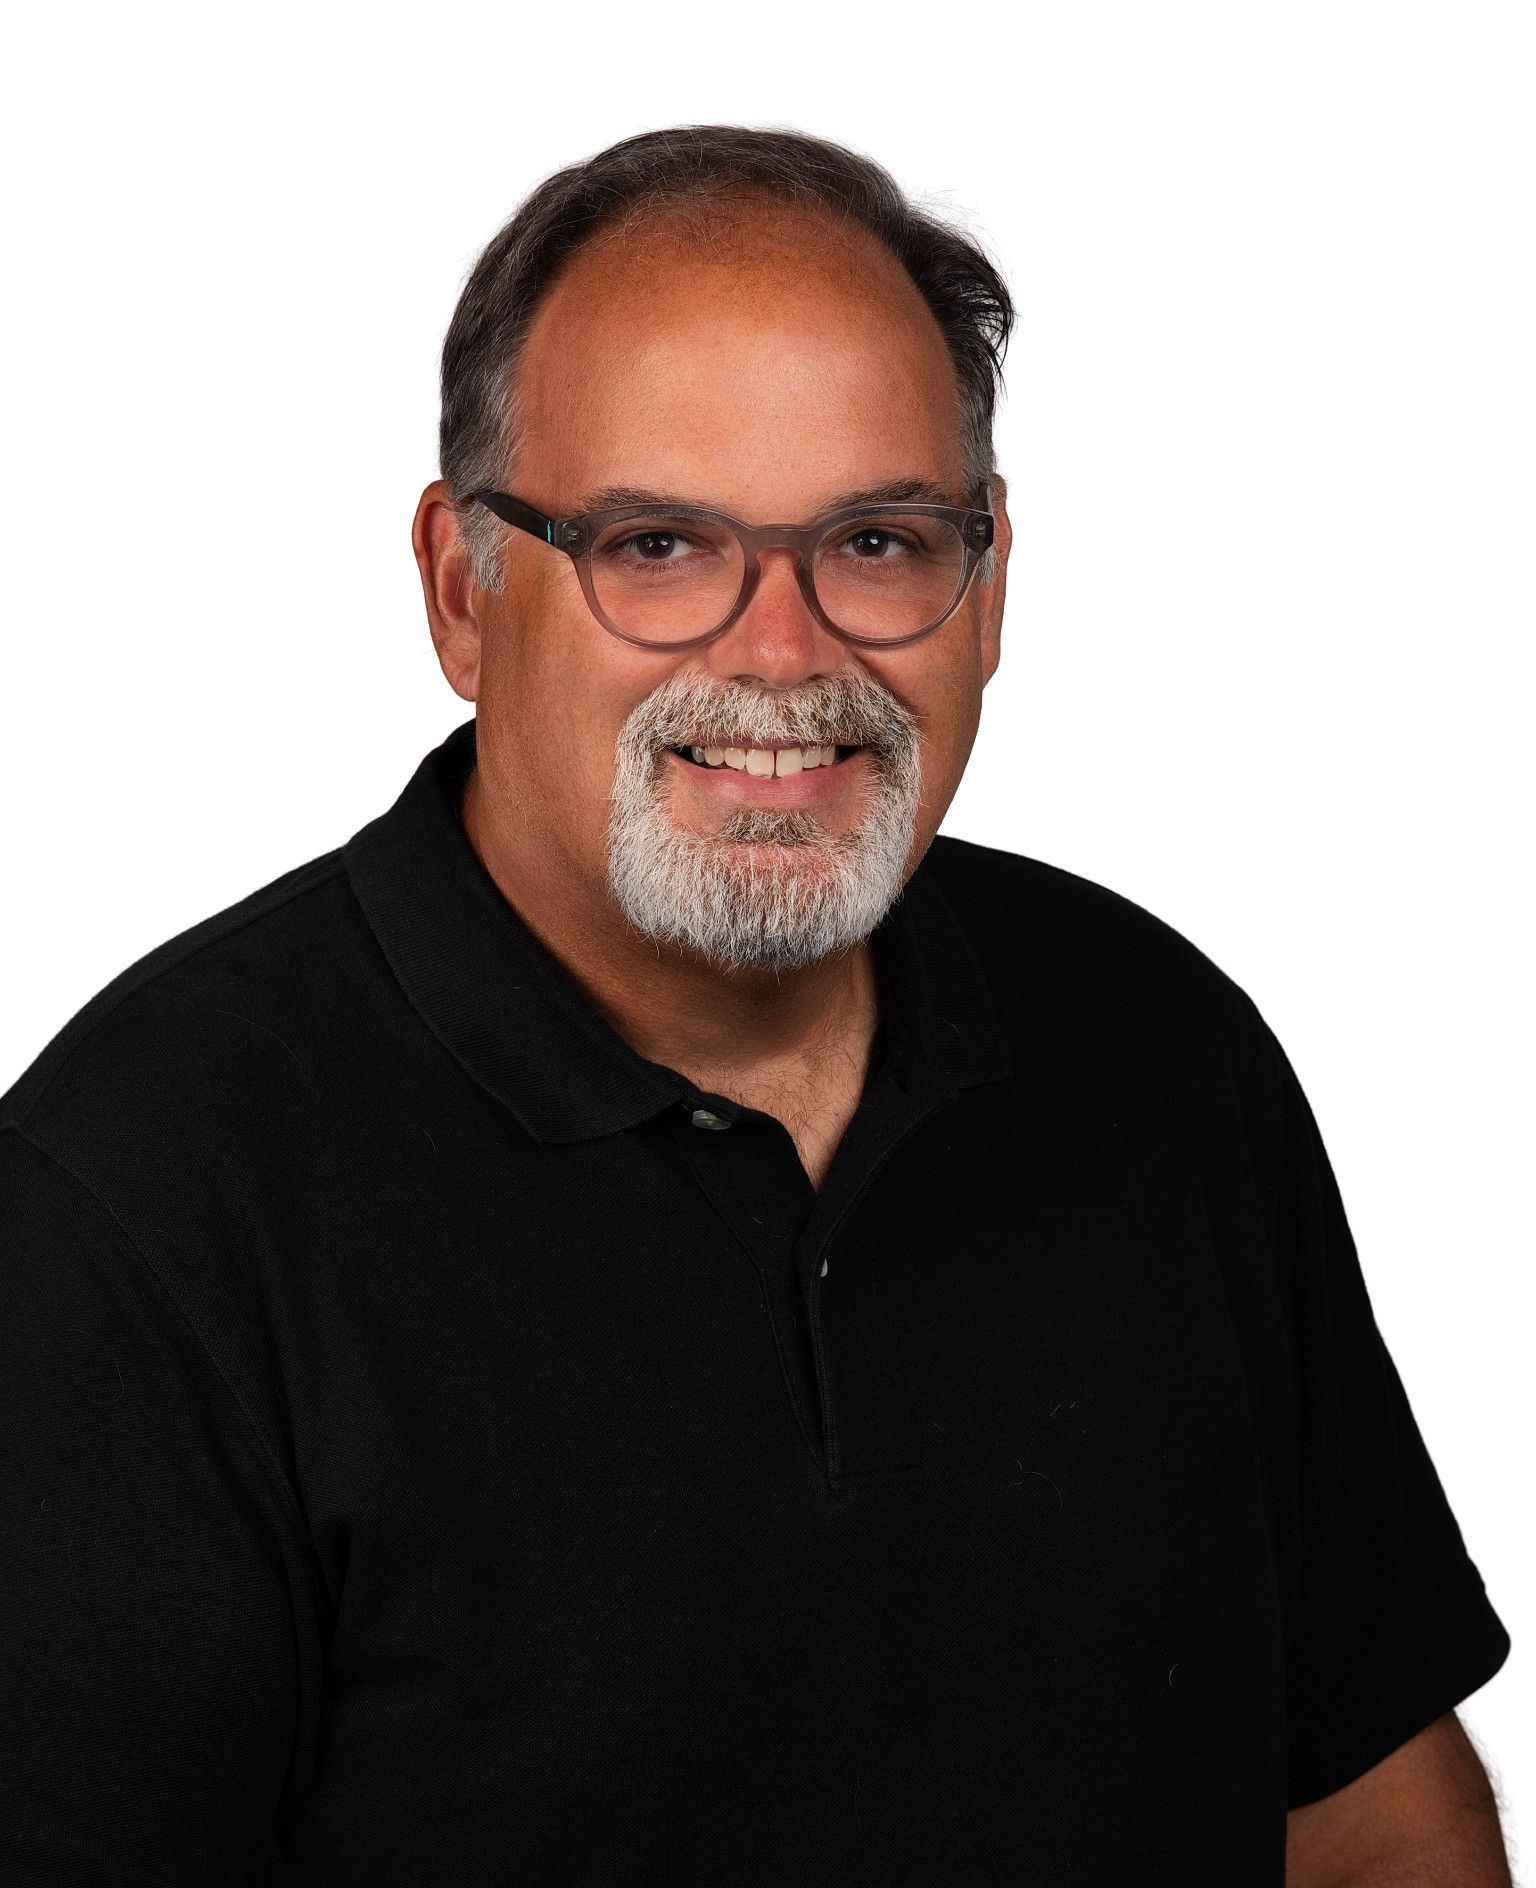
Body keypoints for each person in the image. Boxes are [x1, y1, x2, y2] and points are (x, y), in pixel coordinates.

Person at [0, 125, 1513, 1885]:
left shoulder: (1161, 1056)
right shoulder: (131, 1220)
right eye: (658, 545)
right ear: (459, 590)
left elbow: (1367, 1830)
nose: (783, 655)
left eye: (875, 539)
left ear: (990, 579)